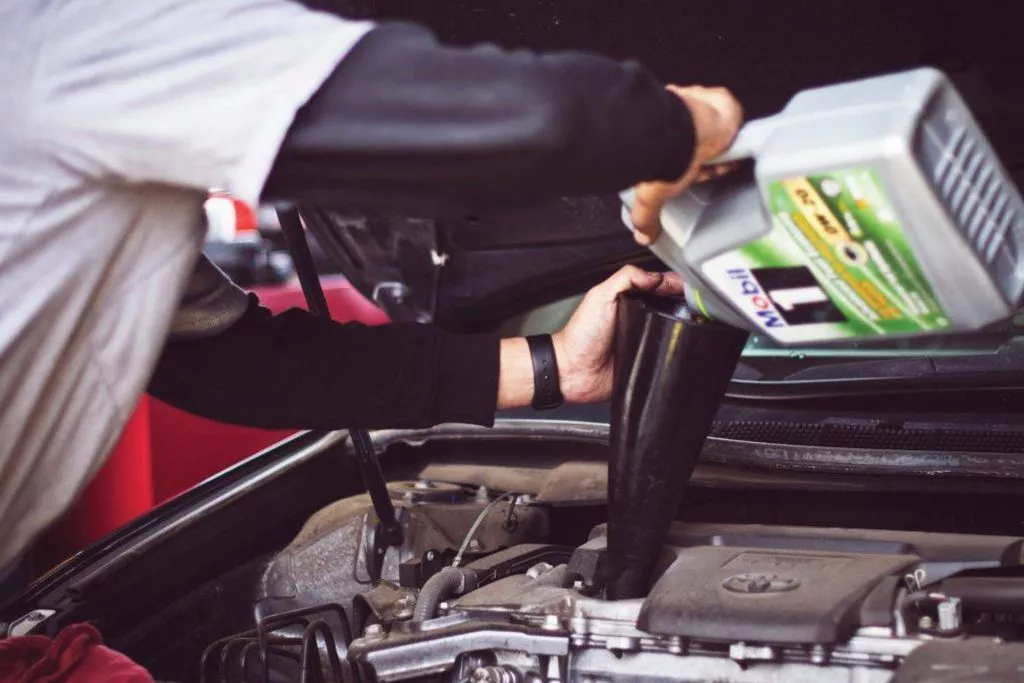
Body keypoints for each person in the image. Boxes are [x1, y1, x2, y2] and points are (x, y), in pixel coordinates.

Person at [0, 0, 742, 575]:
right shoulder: (70, 36)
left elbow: (225, 361)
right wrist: (686, 123)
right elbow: (509, 115)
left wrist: (553, 365)